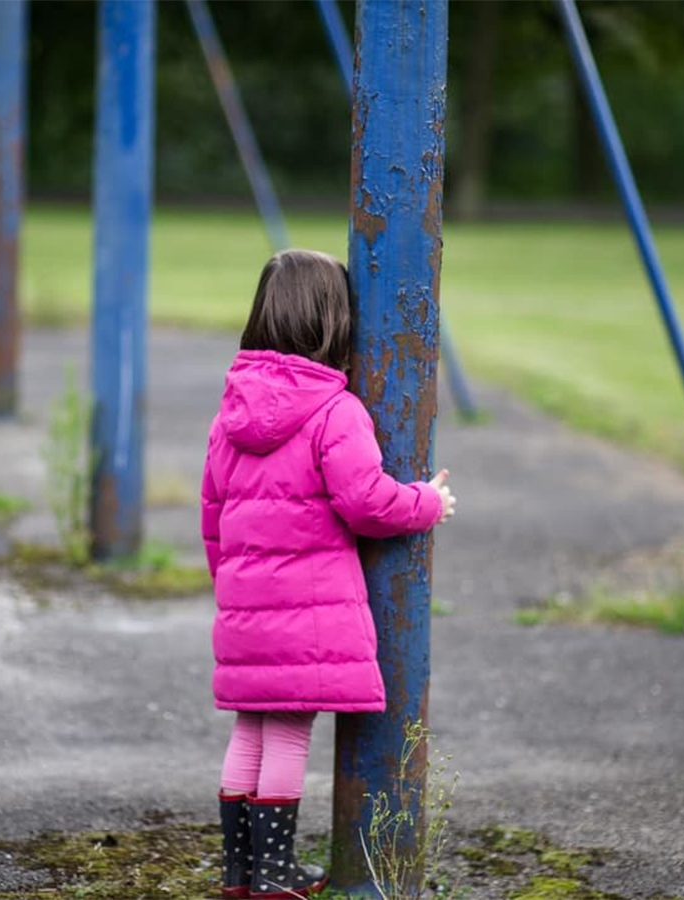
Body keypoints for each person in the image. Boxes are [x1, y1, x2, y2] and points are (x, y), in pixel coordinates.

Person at [200, 249, 456, 899]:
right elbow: (366, 500)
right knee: (287, 732)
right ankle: (276, 871)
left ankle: (241, 869)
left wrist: (232, 592)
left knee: (250, 731)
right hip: (307, 617)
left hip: (246, 608)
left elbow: (213, 512)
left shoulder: (231, 412)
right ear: (335, 323)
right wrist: (427, 502)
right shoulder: (335, 412)